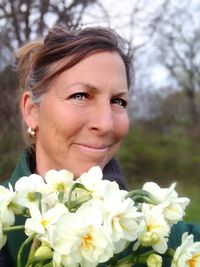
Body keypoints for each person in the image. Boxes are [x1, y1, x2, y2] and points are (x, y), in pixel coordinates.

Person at [0, 24, 199, 267]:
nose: (106, 124)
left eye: (118, 101)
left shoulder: (166, 239)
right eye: (81, 95)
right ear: (32, 110)